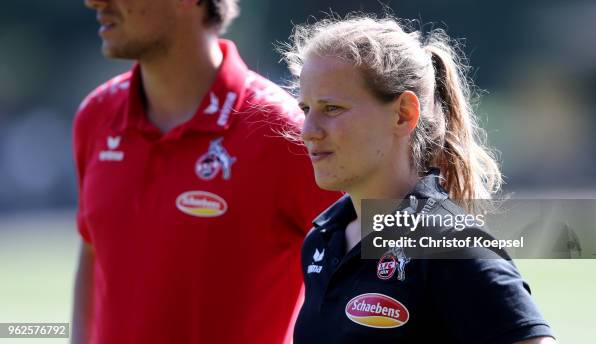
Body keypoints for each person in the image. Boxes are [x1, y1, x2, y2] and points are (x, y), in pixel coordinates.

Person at [72, 1, 339, 343]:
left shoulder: (281, 131)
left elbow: (391, 251)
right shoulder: (95, 116)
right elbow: (92, 250)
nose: (94, 2)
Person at [280, 15, 557, 343]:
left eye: (332, 108)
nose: (308, 131)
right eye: (305, 108)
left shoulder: (448, 246)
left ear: (403, 114)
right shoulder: (322, 240)